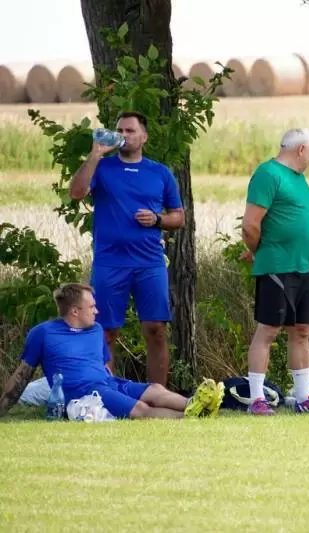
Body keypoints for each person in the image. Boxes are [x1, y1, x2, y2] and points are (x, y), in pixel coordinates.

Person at [68, 111, 185, 386]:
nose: (123, 135)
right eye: (120, 130)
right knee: (106, 332)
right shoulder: (102, 167)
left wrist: (157, 220)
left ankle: (158, 395)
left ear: (144, 137)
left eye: (130, 131)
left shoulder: (160, 172)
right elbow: (76, 192)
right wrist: (95, 154)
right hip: (110, 262)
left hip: (149, 263)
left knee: (156, 329)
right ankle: (105, 394)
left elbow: (178, 217)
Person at [0, 283, 223, 419]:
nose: (96, 311)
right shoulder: (43, 333)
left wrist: (115, 388)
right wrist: (3, 408)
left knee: (155, 389)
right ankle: (190, 418)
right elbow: (22, 375)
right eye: (91, 307)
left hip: (108, 383)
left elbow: (104, 365)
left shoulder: (96, 330)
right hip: (84, 393)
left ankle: (196, 404)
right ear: (75, 311)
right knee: (141, 409)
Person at [241, 128, 309, 415]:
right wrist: (258, 251)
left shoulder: (299, 178)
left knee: (302, 329)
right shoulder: (268, 174)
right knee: (269, 329)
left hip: (303, 265)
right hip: (277, 265)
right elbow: (250, 225)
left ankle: (303, 396)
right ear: (301, 149)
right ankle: (257, 399)